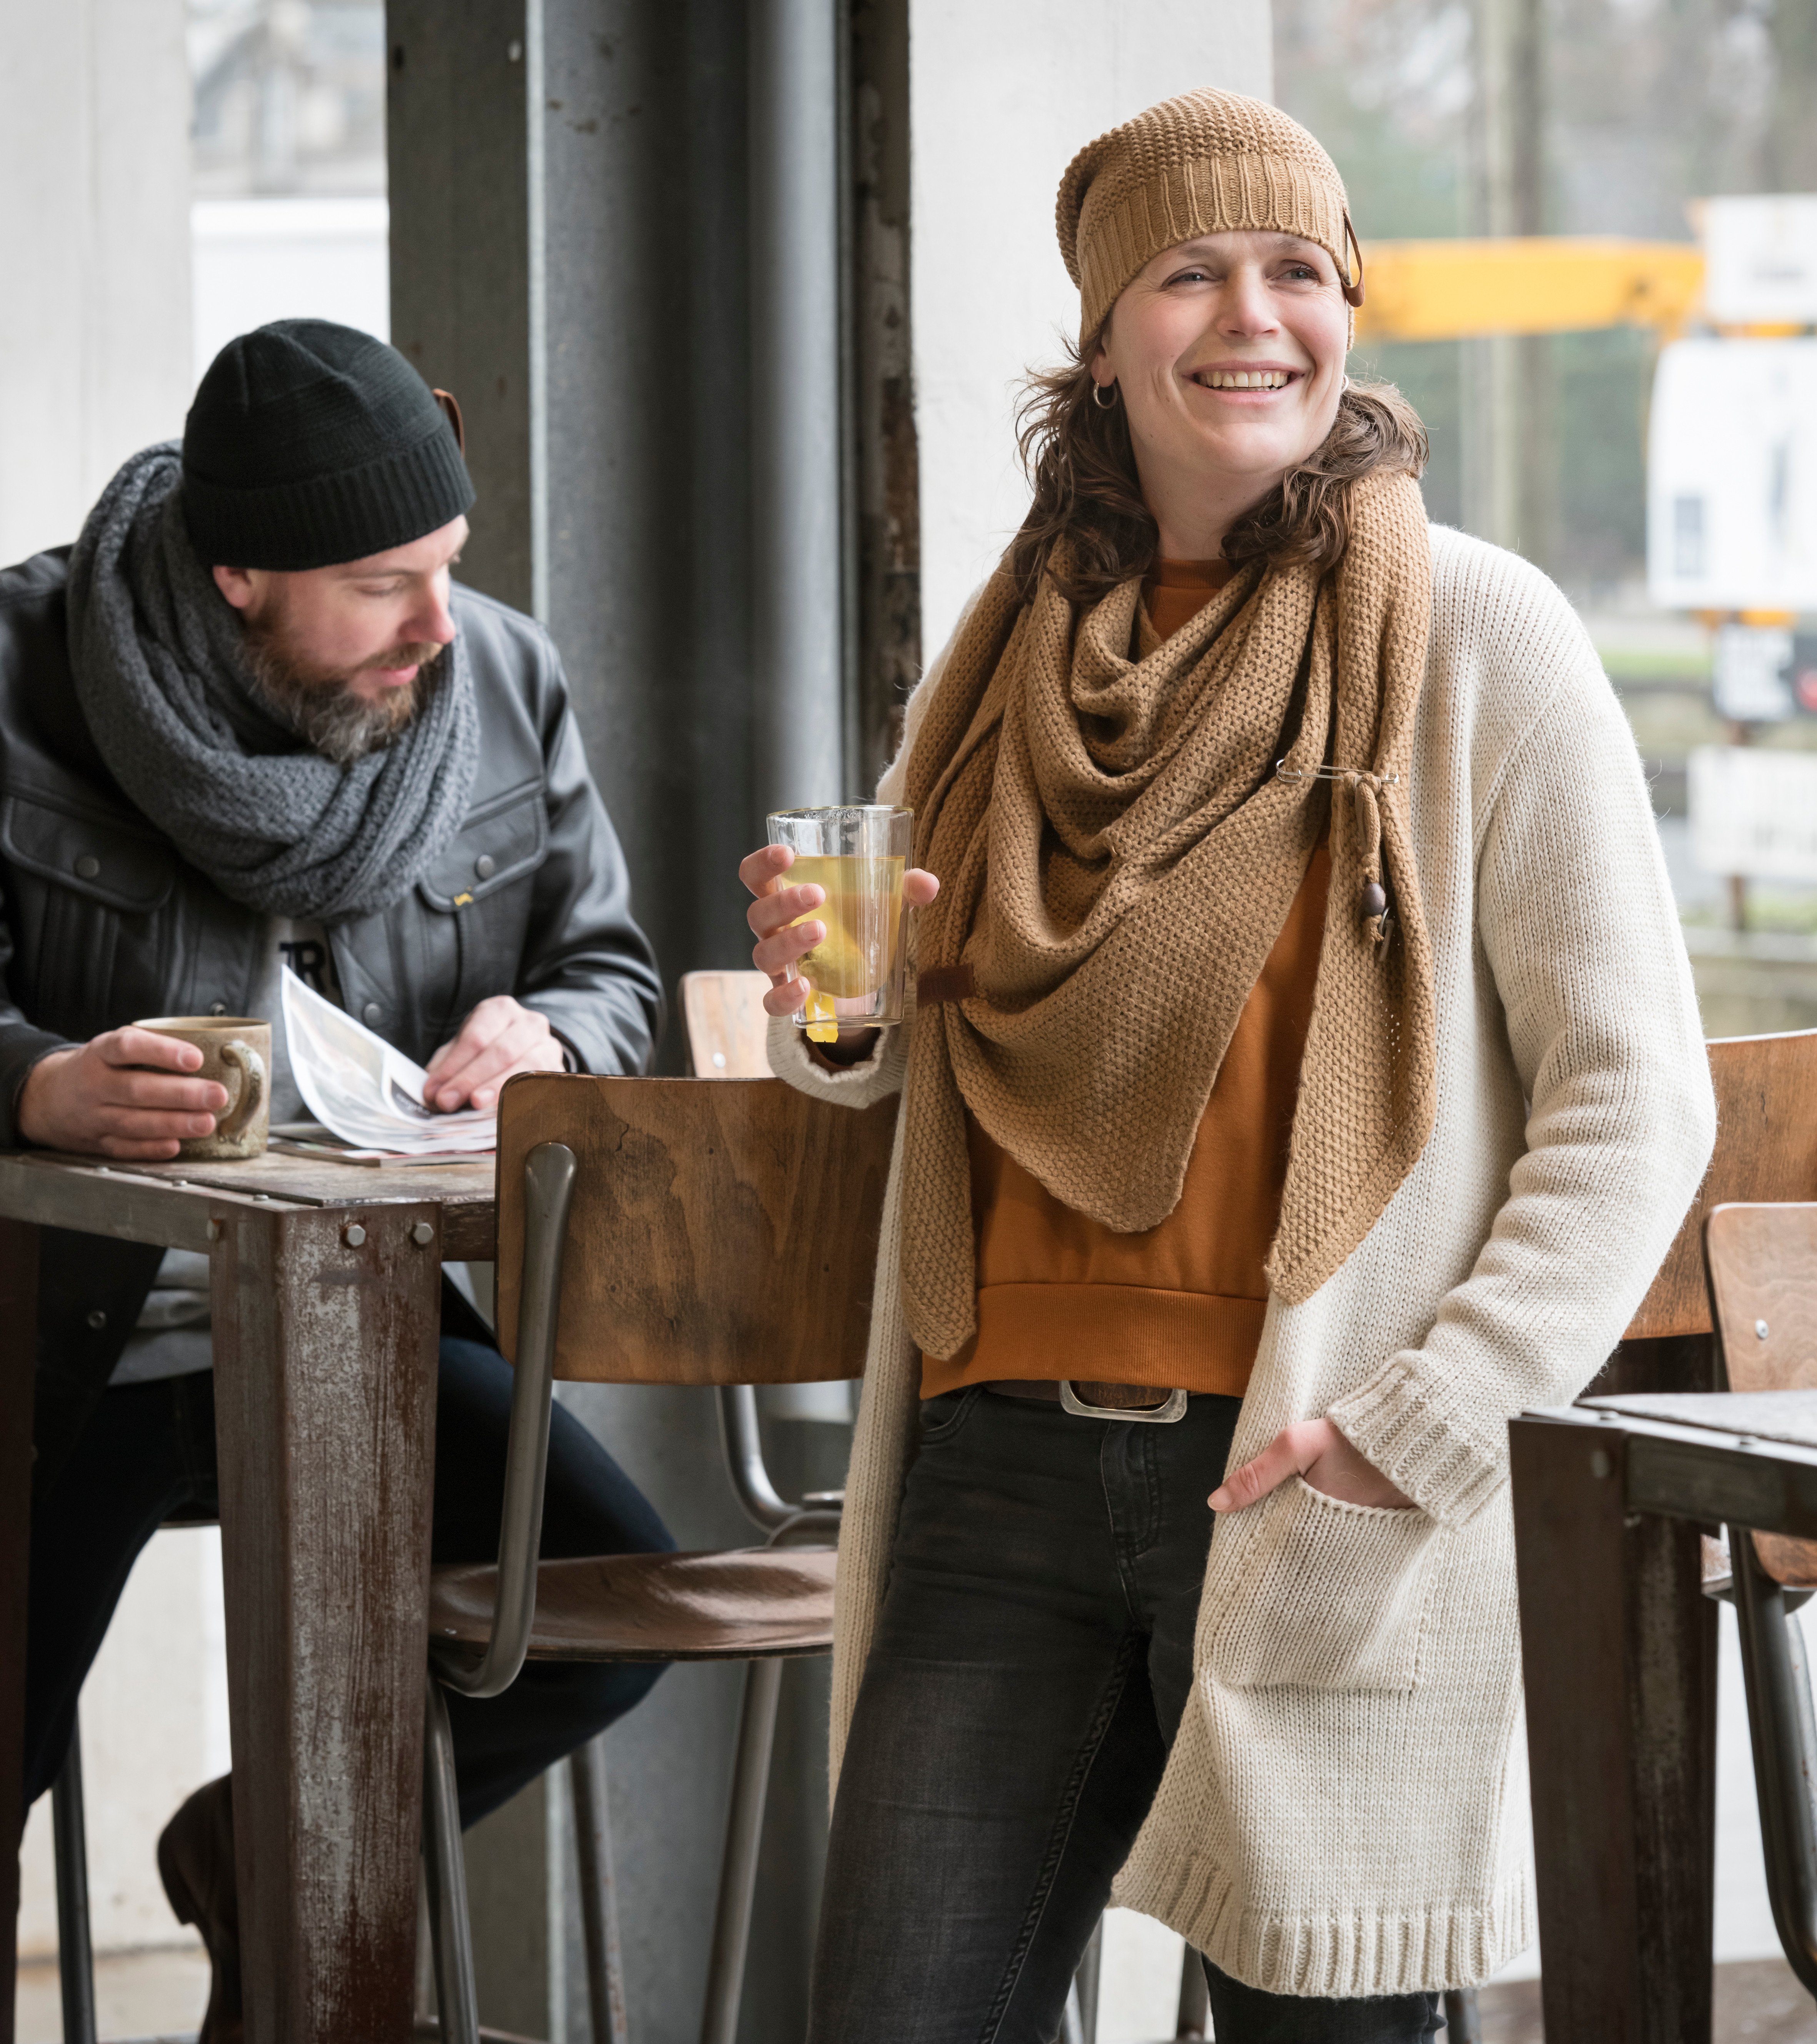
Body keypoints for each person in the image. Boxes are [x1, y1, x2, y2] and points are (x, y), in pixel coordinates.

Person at [741, 88, 1716, 2044]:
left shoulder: (1475, 640)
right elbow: (874, 1068)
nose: (1251, 317)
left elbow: (1634, 1105)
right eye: (1187, 274)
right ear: (1103, 339)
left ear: (1347, 309)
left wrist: (1423, 1422)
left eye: (1294, 271)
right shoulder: (1006, 655)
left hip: (1297, 1469)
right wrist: (834, 999)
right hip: (994, 1459)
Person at [4, 320, 672, 2043]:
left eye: (447, 565)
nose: (439, 624)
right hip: (66, 1340)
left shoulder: (495, 676)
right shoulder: (19, 670)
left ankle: (262, 1863)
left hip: (362, 1330)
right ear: (238, 577)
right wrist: (38, 1085)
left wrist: (547, 1036)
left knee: (605, 1611)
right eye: (383, 587)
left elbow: (609, 967)